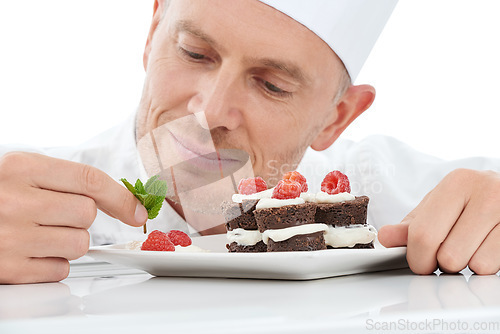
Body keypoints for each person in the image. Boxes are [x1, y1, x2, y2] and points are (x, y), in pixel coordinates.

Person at [0, 0, 498, 284]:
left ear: (336, 118)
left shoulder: (386, 193)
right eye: (195, 54)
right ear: (153, 32)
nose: (210, 111)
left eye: (272, 85)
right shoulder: (21, 201)